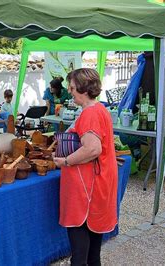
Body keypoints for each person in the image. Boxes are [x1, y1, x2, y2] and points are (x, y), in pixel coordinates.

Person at [53, 68, 118, 266]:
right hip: (96, 184)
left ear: (82, 88)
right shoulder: (99, 109)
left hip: (87, 189)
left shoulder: (90, 113)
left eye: (72, 87)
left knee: (80, 256)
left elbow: (92, 149)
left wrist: (65, 161)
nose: (70, 91)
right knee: (92, 253)